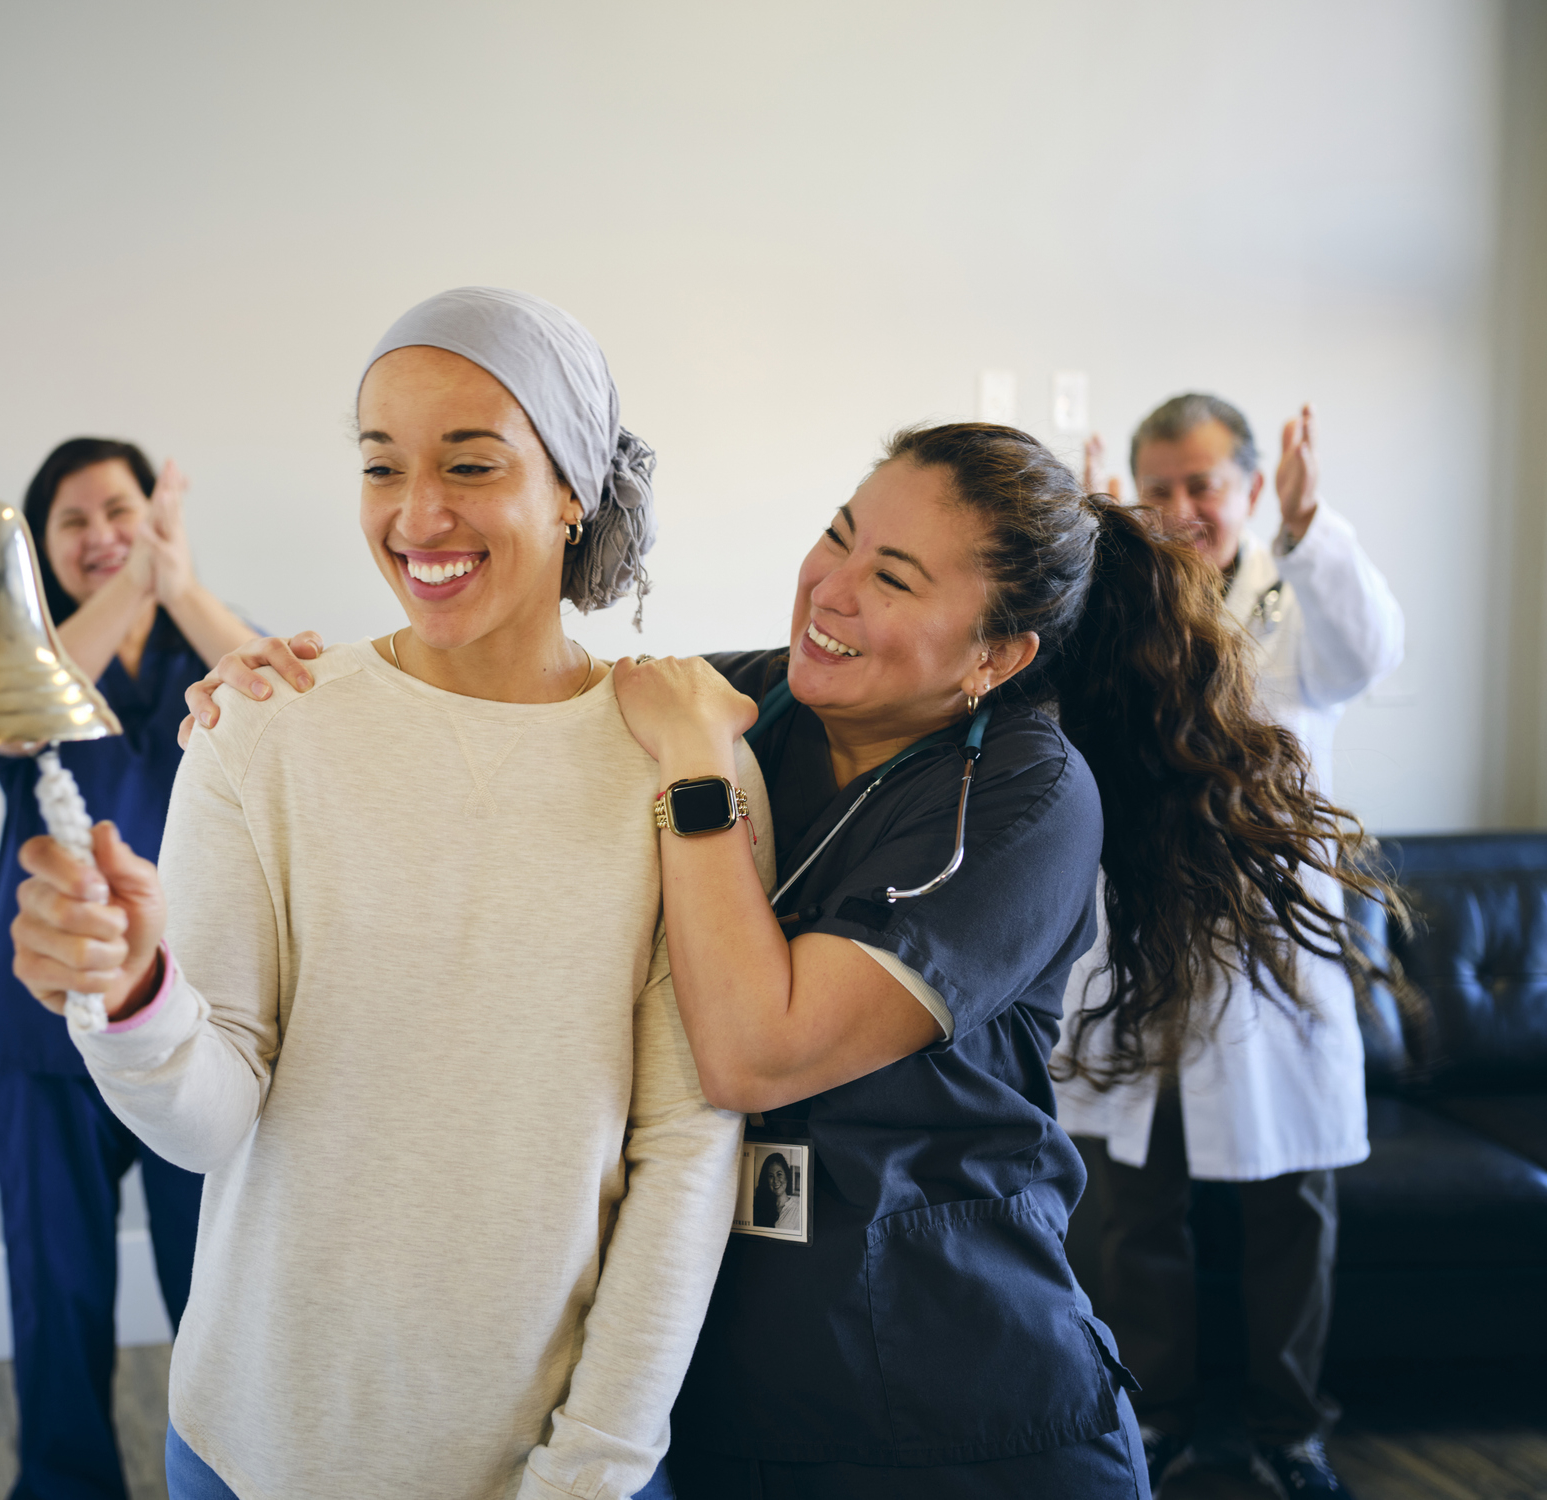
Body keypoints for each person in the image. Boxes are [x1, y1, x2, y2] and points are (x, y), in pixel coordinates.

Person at [194, 421, 1395, 1498]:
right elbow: (515, 701)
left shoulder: (1025, 797)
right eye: (837, 534)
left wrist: (697, 778)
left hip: (950, 1406)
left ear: (995, 657)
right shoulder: (763, 701)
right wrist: (276, 689)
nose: (831, 587)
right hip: (733, 1401)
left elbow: (753, 1050)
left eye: (894, 576)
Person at [8, 288, 770, 1500]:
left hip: (551, 1464)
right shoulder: (264, 727)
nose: (418, 516)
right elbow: (207, 1118)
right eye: (380, 467)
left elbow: (684, 1146)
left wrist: (593, 1468)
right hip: (249, 1442)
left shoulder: (675, 759)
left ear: (570, 487)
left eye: (471, 464)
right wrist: (132, 992)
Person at [1061, 395, 1405, 1498]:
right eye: (1154, 489)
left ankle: (1286, 1429)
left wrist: (1310, 530)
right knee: (1132, 1210)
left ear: (1250, 487)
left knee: (1286, 1214)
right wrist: (1089, 552)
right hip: (1139, 947)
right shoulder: (1120, 610)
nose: (1179, 508)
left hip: (1266, 966)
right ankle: (1148, 1420)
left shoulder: (1291, 598)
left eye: (1200, 484)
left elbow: (1367, 652)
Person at [0, 437, 258, 1500]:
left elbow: (299, 710)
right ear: (40, 546)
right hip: (40, 1033)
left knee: (209, 1294)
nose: (100, 536)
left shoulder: (204, 646)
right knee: (57, 1295)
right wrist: (131, 585)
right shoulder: (20, 652)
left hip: (187, 1029)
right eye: (71, 521)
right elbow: (4, 717)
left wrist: (178, 585)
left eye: (120, 511)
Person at [752, 1153, 799, 1232]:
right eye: (771, 1176)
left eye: (779, 1174)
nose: (775, 1181)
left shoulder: (797, 1210)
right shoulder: (760, 1206)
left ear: (787, 1176)